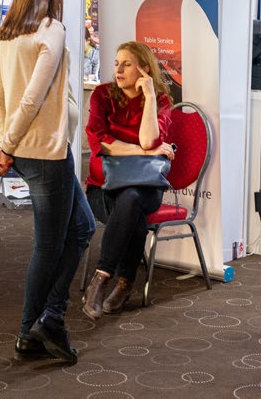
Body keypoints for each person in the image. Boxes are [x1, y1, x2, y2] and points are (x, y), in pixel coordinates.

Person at [0, 0, 95, 364]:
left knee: (81, 227)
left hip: (27, 152)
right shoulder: (51, 29)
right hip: (46, 152)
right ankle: (38, 326)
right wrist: (6, 145)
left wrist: (4, 143)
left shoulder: (8, 32)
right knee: (49, 245)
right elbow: (33, 97)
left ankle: (45, 321)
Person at [81, 41, 175, 319]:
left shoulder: (160, 101)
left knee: (132, 198)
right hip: (102, 189)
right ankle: (124, 283)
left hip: (146, 187)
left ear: (144, 70)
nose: (118, 70)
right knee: (132, 210)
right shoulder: (102, 95)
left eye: (127, 64)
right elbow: (99, 142)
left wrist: (149, 97)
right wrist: (142, 151)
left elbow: (149, 140)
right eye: (116, 63)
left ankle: (100, 279)